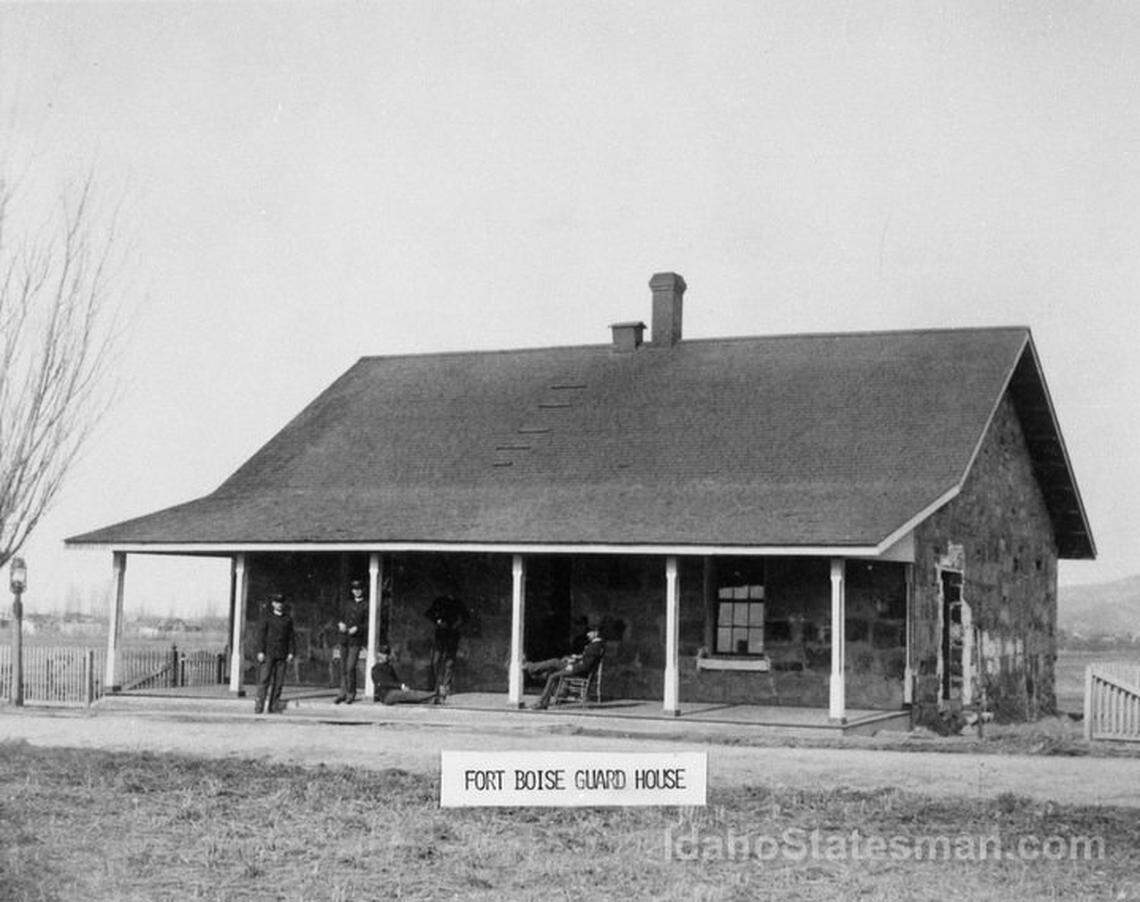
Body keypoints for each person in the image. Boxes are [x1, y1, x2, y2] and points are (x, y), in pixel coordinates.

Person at [529, 627, 604, 710]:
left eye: (589, 633)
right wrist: (576, 657)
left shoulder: (596, 646)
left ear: (596, 633)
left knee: (554, 665)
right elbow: (587, 659)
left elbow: (587, 665)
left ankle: (532, 668)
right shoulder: (596, 645)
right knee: (555, 668)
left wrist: (572, 666)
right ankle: (544, 699)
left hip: (578, 671)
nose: (587, 634)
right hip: (578, 668)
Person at [255, 593, 295, 714]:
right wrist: (261, 651)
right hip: (268, 653)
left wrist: (291, 652)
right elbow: (261, 635)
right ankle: (259, 706)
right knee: (264, 680)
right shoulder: (266, 617)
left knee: (278, 682)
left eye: (281, 603)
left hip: (282, 654)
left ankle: (273, 706)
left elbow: (291, 637)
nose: (279, 605)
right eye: (277, 602)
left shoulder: (287, 619)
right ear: (273, 604)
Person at [424, 594, 468, 701]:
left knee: (449, 662)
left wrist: (457, 624)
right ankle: (435, 686)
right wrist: (438, 621)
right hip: (441, 634)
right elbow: (429, 613)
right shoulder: (439, 601)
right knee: (436, 660)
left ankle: (446, 687)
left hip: (453, 635)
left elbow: (466, 617)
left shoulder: (458, 603)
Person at [335, 579, 369, 704]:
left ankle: (351, 693)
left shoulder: (366, 605)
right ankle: (342, 693)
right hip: (344, 638)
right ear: (352, 590)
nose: (357, 591)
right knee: (343, 666)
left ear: (362, 590)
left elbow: (368, 623)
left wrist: (358, 628)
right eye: (355, 589)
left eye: (359, 589)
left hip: (355, 640)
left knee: (350, 667)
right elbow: (339, 617)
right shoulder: (347, 604)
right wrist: (340, 624)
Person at [370, 645, 437, 705]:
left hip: (394, 692)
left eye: (387, 654)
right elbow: (383, 683)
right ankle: (433, 694)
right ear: (378, 655)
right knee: (407, 694)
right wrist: (400, 686)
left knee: (409, 694)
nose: (386, 656)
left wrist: (402, 686)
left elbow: (395, 680)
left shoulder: (388, 667)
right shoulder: (376, 669)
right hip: (386, 695)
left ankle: (431, 699)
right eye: (383, 654)